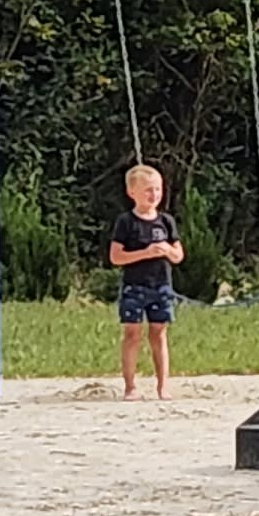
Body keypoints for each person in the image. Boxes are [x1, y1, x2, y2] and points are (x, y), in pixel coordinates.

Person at [108, 163, 182, 401]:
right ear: (132, 193)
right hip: (134, 286)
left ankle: (163, 386)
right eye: (148, 190)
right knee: (132, 334)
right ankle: (130, 386)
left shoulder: (166, 221)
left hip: (161, 286)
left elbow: (179, 255)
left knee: (159, 334)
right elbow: (115, 257)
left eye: (158, 189)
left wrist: (167, 251)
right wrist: (145, 253)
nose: (154, 195)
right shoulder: (126, 222)